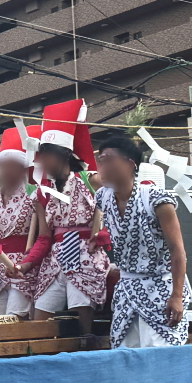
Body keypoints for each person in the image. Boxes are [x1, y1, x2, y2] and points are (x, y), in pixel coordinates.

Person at [94, 134, 192, 348]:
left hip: (160, 287)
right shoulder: (103, 196)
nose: (102, 166)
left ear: (130, 164)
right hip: (127, 289)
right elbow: (89, 178)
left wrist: (177, 296)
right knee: (124, 355)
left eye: (108, 159)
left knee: (158, 353)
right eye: (100, 160)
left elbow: (178, 251)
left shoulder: (157, 199)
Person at [30, 99, 110, 335]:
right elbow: (44, 236)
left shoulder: (91, 180)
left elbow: (116, 203)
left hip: (86, 253)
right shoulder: (42, 192)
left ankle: (88, 344)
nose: (42, 163)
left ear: (63, 155)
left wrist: (103, 230)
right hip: (54, 258)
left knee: (81, 307)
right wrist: (26, 264)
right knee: (40, 314)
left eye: (47, 156)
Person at [0, 125, 50, 317]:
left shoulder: (34, 196)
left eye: (12, 164)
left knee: (14, 321)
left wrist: (26, 264)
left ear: (23, 168)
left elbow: (45, 237)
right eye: (3, 164)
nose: (5, 169)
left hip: (24, 268)